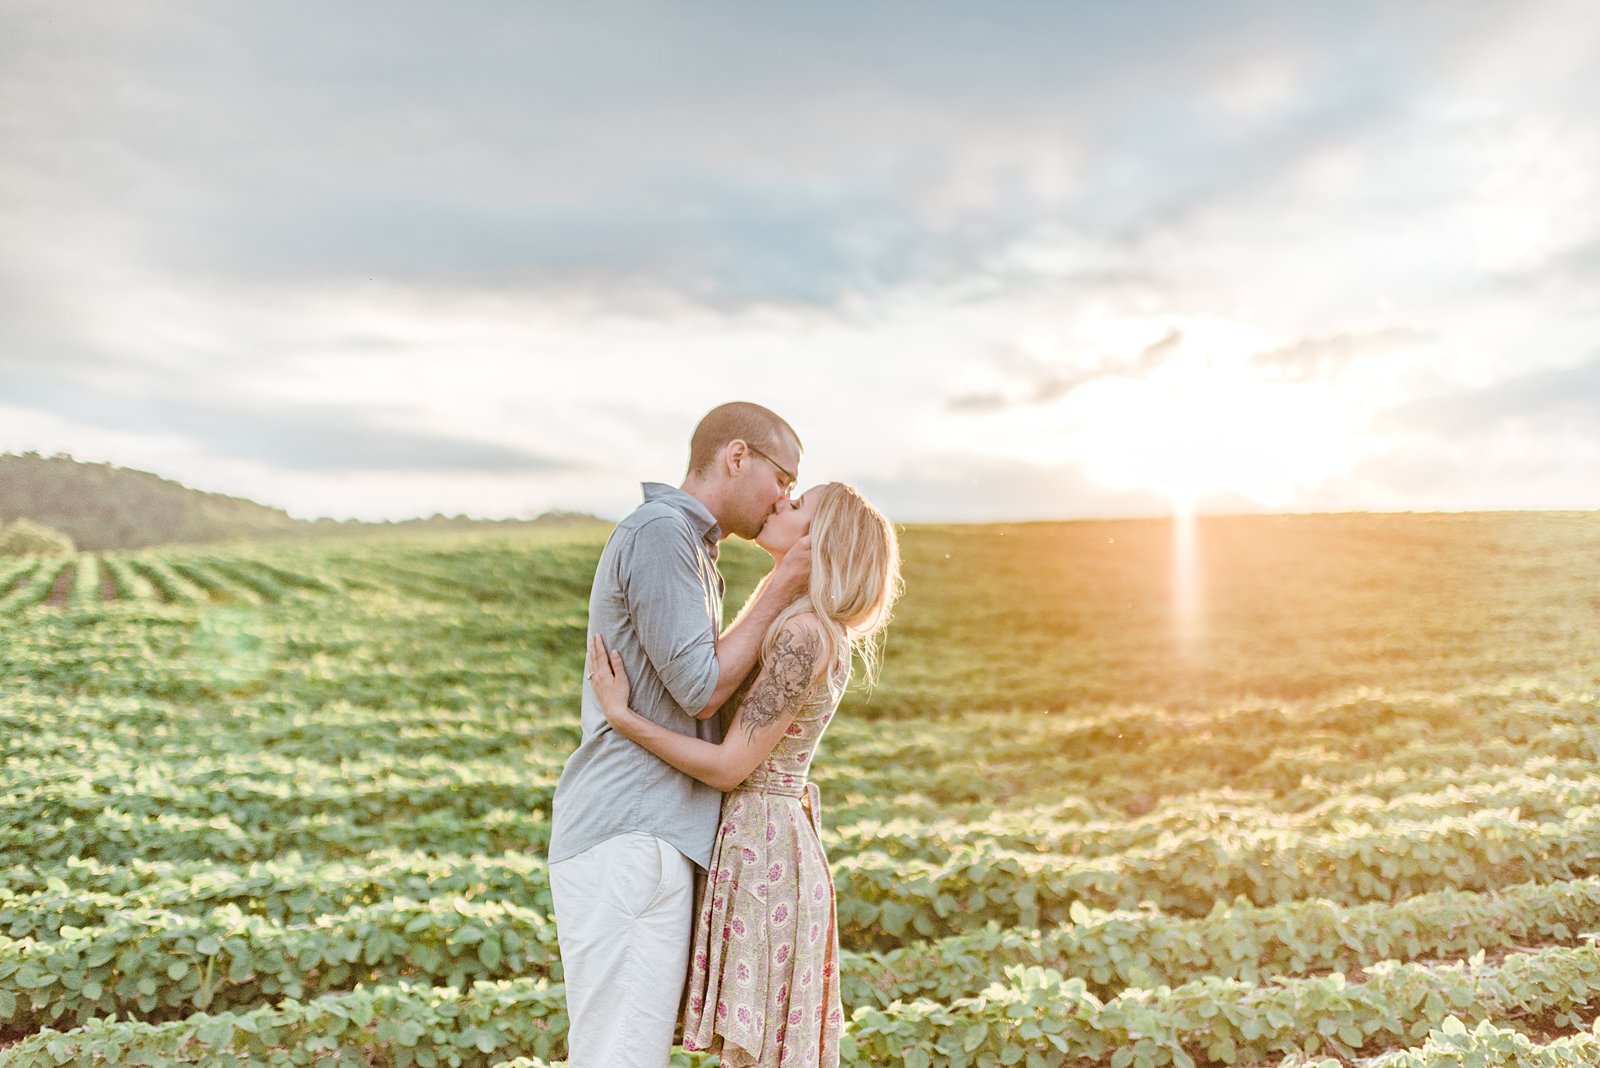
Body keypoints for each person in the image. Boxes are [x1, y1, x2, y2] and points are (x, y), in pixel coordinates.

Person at [588, 481, 902, 1068]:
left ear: (819, 540)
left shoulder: (805, 635)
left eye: (798, 505)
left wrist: (623, 719)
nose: (781, 503)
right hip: (762, 841)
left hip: (765, 848)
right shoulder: (798, 622)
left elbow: (733, 765)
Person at [547, 401, 813, 1068]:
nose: (786, 496)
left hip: (649, 833)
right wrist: (782, 585)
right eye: (784, 477)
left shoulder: (688, 544)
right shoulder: (663, 534)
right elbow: (699, 685)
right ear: (737, 456)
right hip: (635, 832)